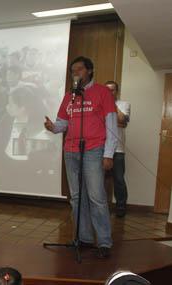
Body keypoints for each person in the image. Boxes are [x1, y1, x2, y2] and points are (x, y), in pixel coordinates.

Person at [44, 56, 117, 258]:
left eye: (79, 69)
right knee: (76, 198)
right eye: (72, 70)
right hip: (71, 151)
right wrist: (53, 127)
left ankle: (104, 242)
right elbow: (62, 124)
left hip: (94, 149)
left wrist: (109, 153)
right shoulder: (69, 96)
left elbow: (111, 124)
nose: (75, 73)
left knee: (96, 197)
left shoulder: (102, 92)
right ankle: (83, 238)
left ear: (90, 71)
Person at [105, 81, 131, 217]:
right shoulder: (99, 104)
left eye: (112, 90)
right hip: (101, 149)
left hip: (118, 150)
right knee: (99, 179)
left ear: (117, 91)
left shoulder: (124, 104)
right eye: (107, 90)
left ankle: (121, 208)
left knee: (119, 179)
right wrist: (116, 123)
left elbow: (123, 121)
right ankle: (100, 207)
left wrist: (111, 104)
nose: (109, 93)